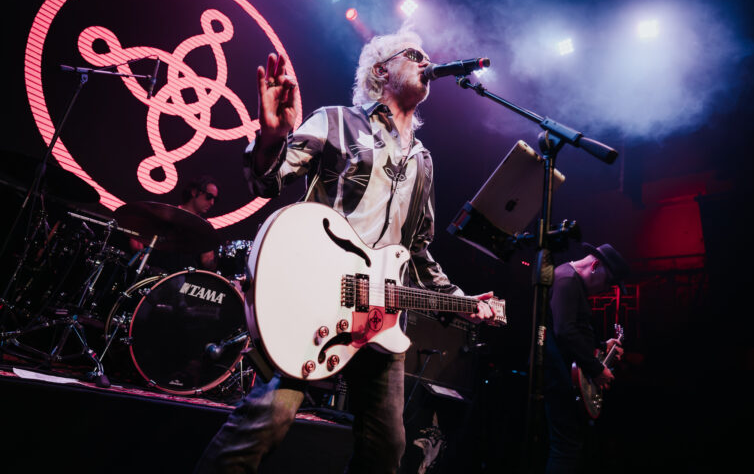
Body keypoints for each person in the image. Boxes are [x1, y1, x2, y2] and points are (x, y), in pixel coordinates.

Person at [195, 29, 496, 473]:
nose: (425, 62)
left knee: (386, 449)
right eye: (413, 55)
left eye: (426, 56)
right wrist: (272, 139)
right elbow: (266, 182)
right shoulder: (336, 121)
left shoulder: (423, 160)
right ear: (381, 71)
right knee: (268, 418)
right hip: (317, 296)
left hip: (379, 317)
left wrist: (460, 301)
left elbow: (416, 249)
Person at [543, 243, 631, 474]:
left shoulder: (572, 282)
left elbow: (574, 331)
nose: (606, 289)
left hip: (566, 377)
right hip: (558, 378)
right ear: (595, 265)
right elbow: (564, 331)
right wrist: (596, 369)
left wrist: (601, 346)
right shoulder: (566, 280)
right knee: (565, 449)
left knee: (573, 447)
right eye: (608, 282)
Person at [128, 176, 219, 272]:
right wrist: (139, 252)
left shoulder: (205, 228)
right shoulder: (164, 213)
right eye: (209, 197)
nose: (212, 202)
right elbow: (136, 238)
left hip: (184, 277)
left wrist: (211, 257)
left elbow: (206, 262)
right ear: (194, 192)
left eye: (215, 199)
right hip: (155, 273)